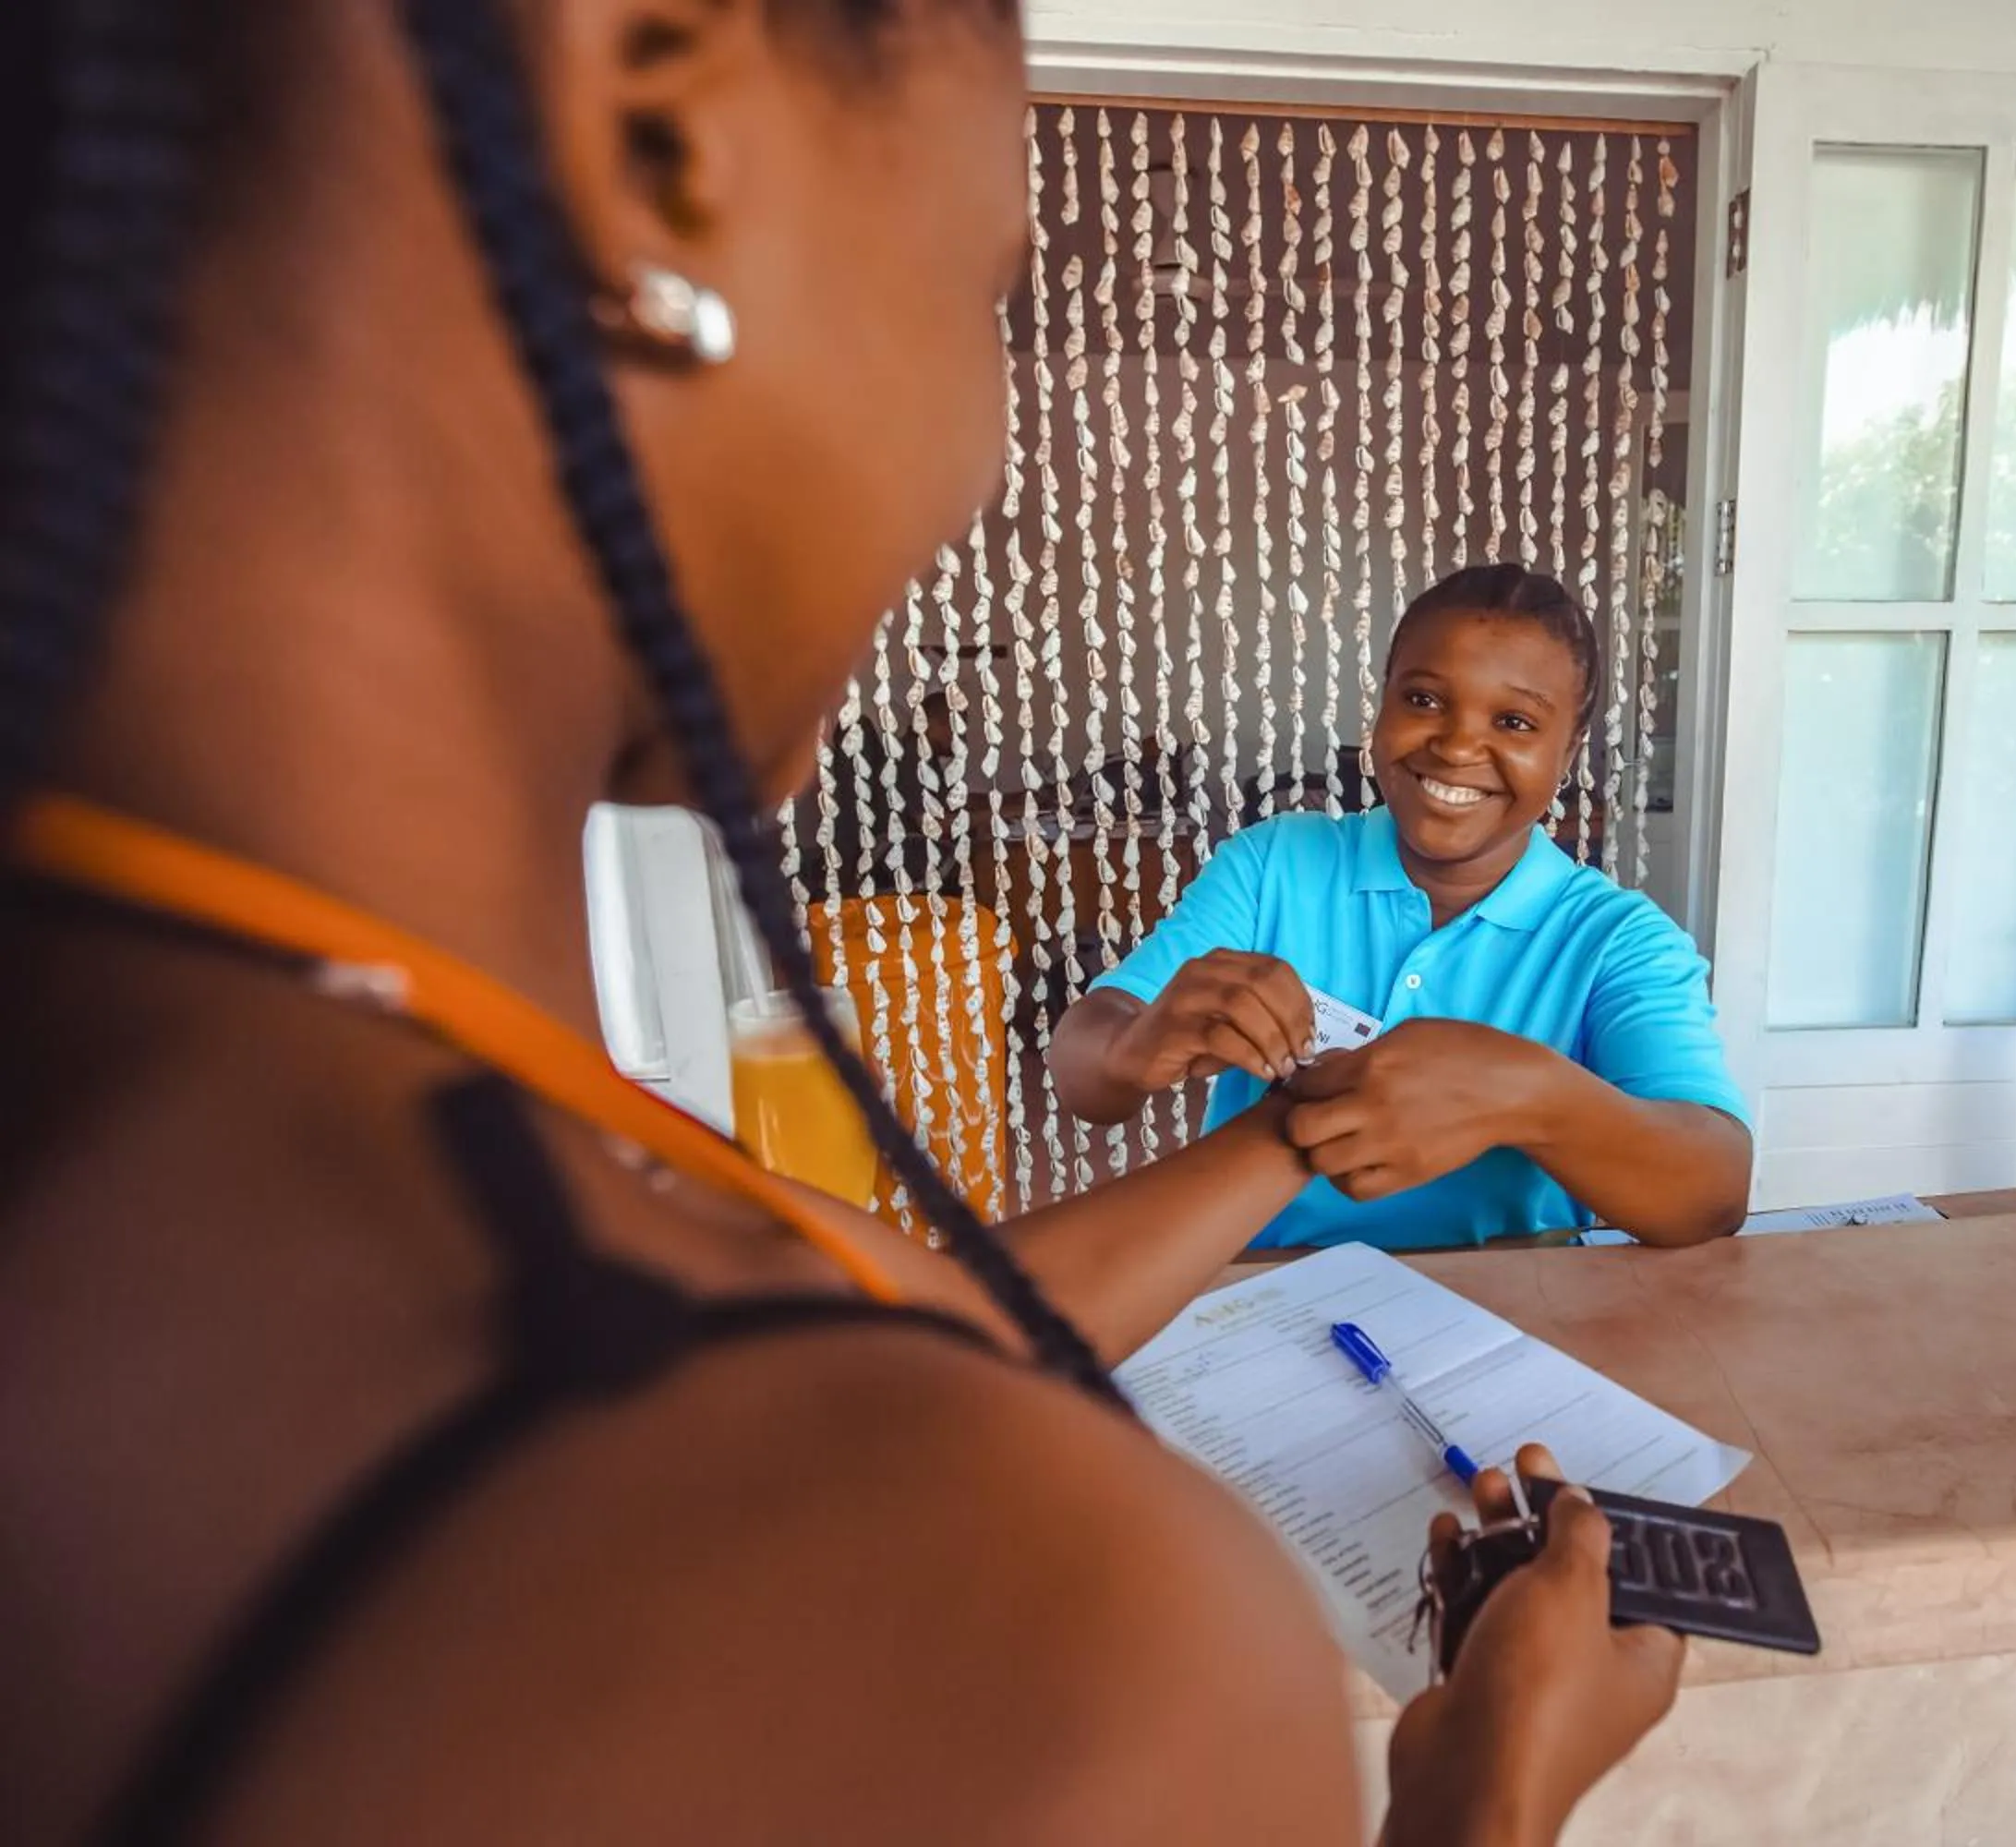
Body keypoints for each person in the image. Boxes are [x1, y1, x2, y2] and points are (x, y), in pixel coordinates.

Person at [0, 4, 1684, 1843]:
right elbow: (1050, 1104)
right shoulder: (1072, 1648)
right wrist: (1484, 1796)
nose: (973, 451)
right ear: (658, 128)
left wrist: (1305, 1120)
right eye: (986, 288)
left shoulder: (242, 1098)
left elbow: (935, 1298)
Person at [1050, 564, 1755, 1250]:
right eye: (1423, 700)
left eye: (1514, 721)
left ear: (1567, 753)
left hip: (1516, 1304)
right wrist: (1134, 1048)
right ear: (1380, 704)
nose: (1454, 746)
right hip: (1267, 1293)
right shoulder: (1274, 865)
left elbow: (1714, 1191)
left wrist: (1530, 1093)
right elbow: (1083, 1073)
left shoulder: (1618, 940)